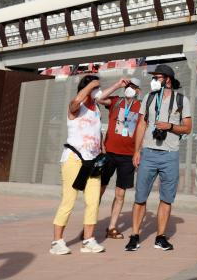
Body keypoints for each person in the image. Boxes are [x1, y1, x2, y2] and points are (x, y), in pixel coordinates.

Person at [124, 63, 192, 253]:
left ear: (167, 79)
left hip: (170, 155)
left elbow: (187, 127)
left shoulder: (181, 100)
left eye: (157, 77)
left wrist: (170, 126)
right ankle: (135, 235)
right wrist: (137, 151)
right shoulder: (148, 98)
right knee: (140, 197)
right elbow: (141, 126)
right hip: (149, 153)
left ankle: (160, 238)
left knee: (167, 198)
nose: (154, 80)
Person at [50, 75, 105, 255]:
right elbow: (74, 103)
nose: (97, 90)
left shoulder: (97, 109)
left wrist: (102, 151)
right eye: (93, 88)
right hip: (74, 159)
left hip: (93, 161)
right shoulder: (76, 107)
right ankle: (57, 242)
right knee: (68, 201)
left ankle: (88, 240)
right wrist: (90, 86)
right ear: (86, 89)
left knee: (93, 202)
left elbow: (98, 133)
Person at [97, 76, 143, 240]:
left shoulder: (141, 107)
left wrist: (139, 152)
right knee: (99, 191)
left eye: (132, 86)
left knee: (120, 194)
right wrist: (117, 84)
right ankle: (89, 224)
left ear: (138, 90)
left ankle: (112, 227)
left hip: (127, 156)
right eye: (127, 85)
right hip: (109, 153)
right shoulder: (116, 101)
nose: (129, 88)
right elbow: (100, 98)